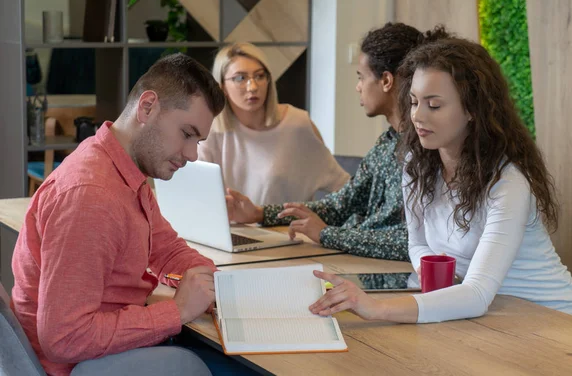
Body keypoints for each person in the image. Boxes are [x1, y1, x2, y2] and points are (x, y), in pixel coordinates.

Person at [309, 38, 572, 322]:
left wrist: (375, 307)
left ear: (472, 110)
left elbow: (477, 294)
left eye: (434, 105)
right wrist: (436, 281)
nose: (418, 116)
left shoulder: (507, 183)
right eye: (414, 102)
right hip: (489, 318)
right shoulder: (415, 166)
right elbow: (418, 245)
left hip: (554, 320)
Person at [11, 54, 255, 375]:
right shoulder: (92, 195)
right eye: (186, 133)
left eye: (198, 140)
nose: (193, 154)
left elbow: (167, 249)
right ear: (147, 106)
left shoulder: (122, 169)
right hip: (81, 365)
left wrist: (219, 285)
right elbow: (64, 337)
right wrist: (177, 311)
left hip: (101, 354)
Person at [226, 23, 450, 259]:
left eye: (361, 77)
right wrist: (260, 214)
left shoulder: (427, 148)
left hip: (398, 277)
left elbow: (408, 240)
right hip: (366, 267)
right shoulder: (387, 143)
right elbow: (341, 205)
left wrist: (326, 234)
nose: (358, 87)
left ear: (386, 81)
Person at [197, 42, 349, 205]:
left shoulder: (298, 124)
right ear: (222, 87)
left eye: (259, 76)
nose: (253, 87)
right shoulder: (209, 131)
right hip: (226, 229)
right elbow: (196, 195)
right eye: (240, 78)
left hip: (285, 229)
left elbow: (345, 188)